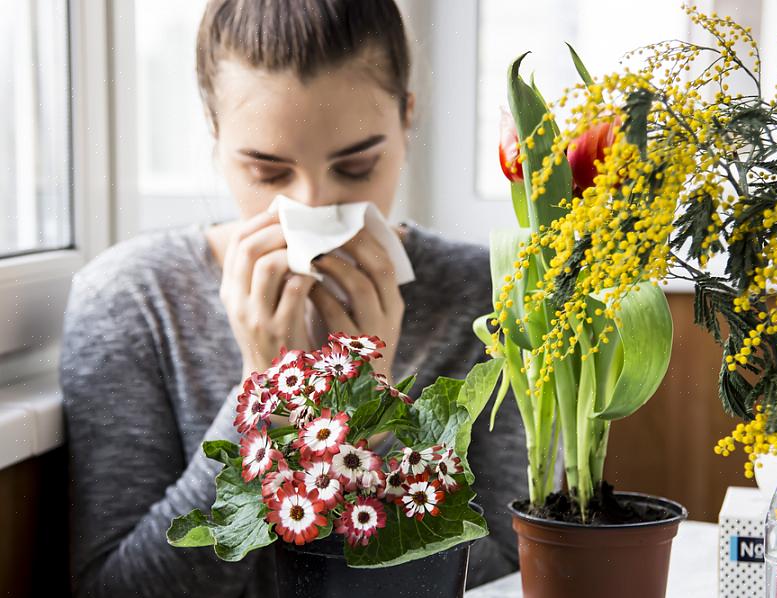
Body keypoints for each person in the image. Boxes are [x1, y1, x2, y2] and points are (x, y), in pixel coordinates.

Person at [59, 1, 527, 596]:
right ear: (214, 131)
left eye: (356, 166)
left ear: (408, 119)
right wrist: (264, 408)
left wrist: (369, 424)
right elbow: (117, 591)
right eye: (268, 172)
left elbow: (510, 571)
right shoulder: (132, 301)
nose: (311, 207)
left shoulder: (487, 301)